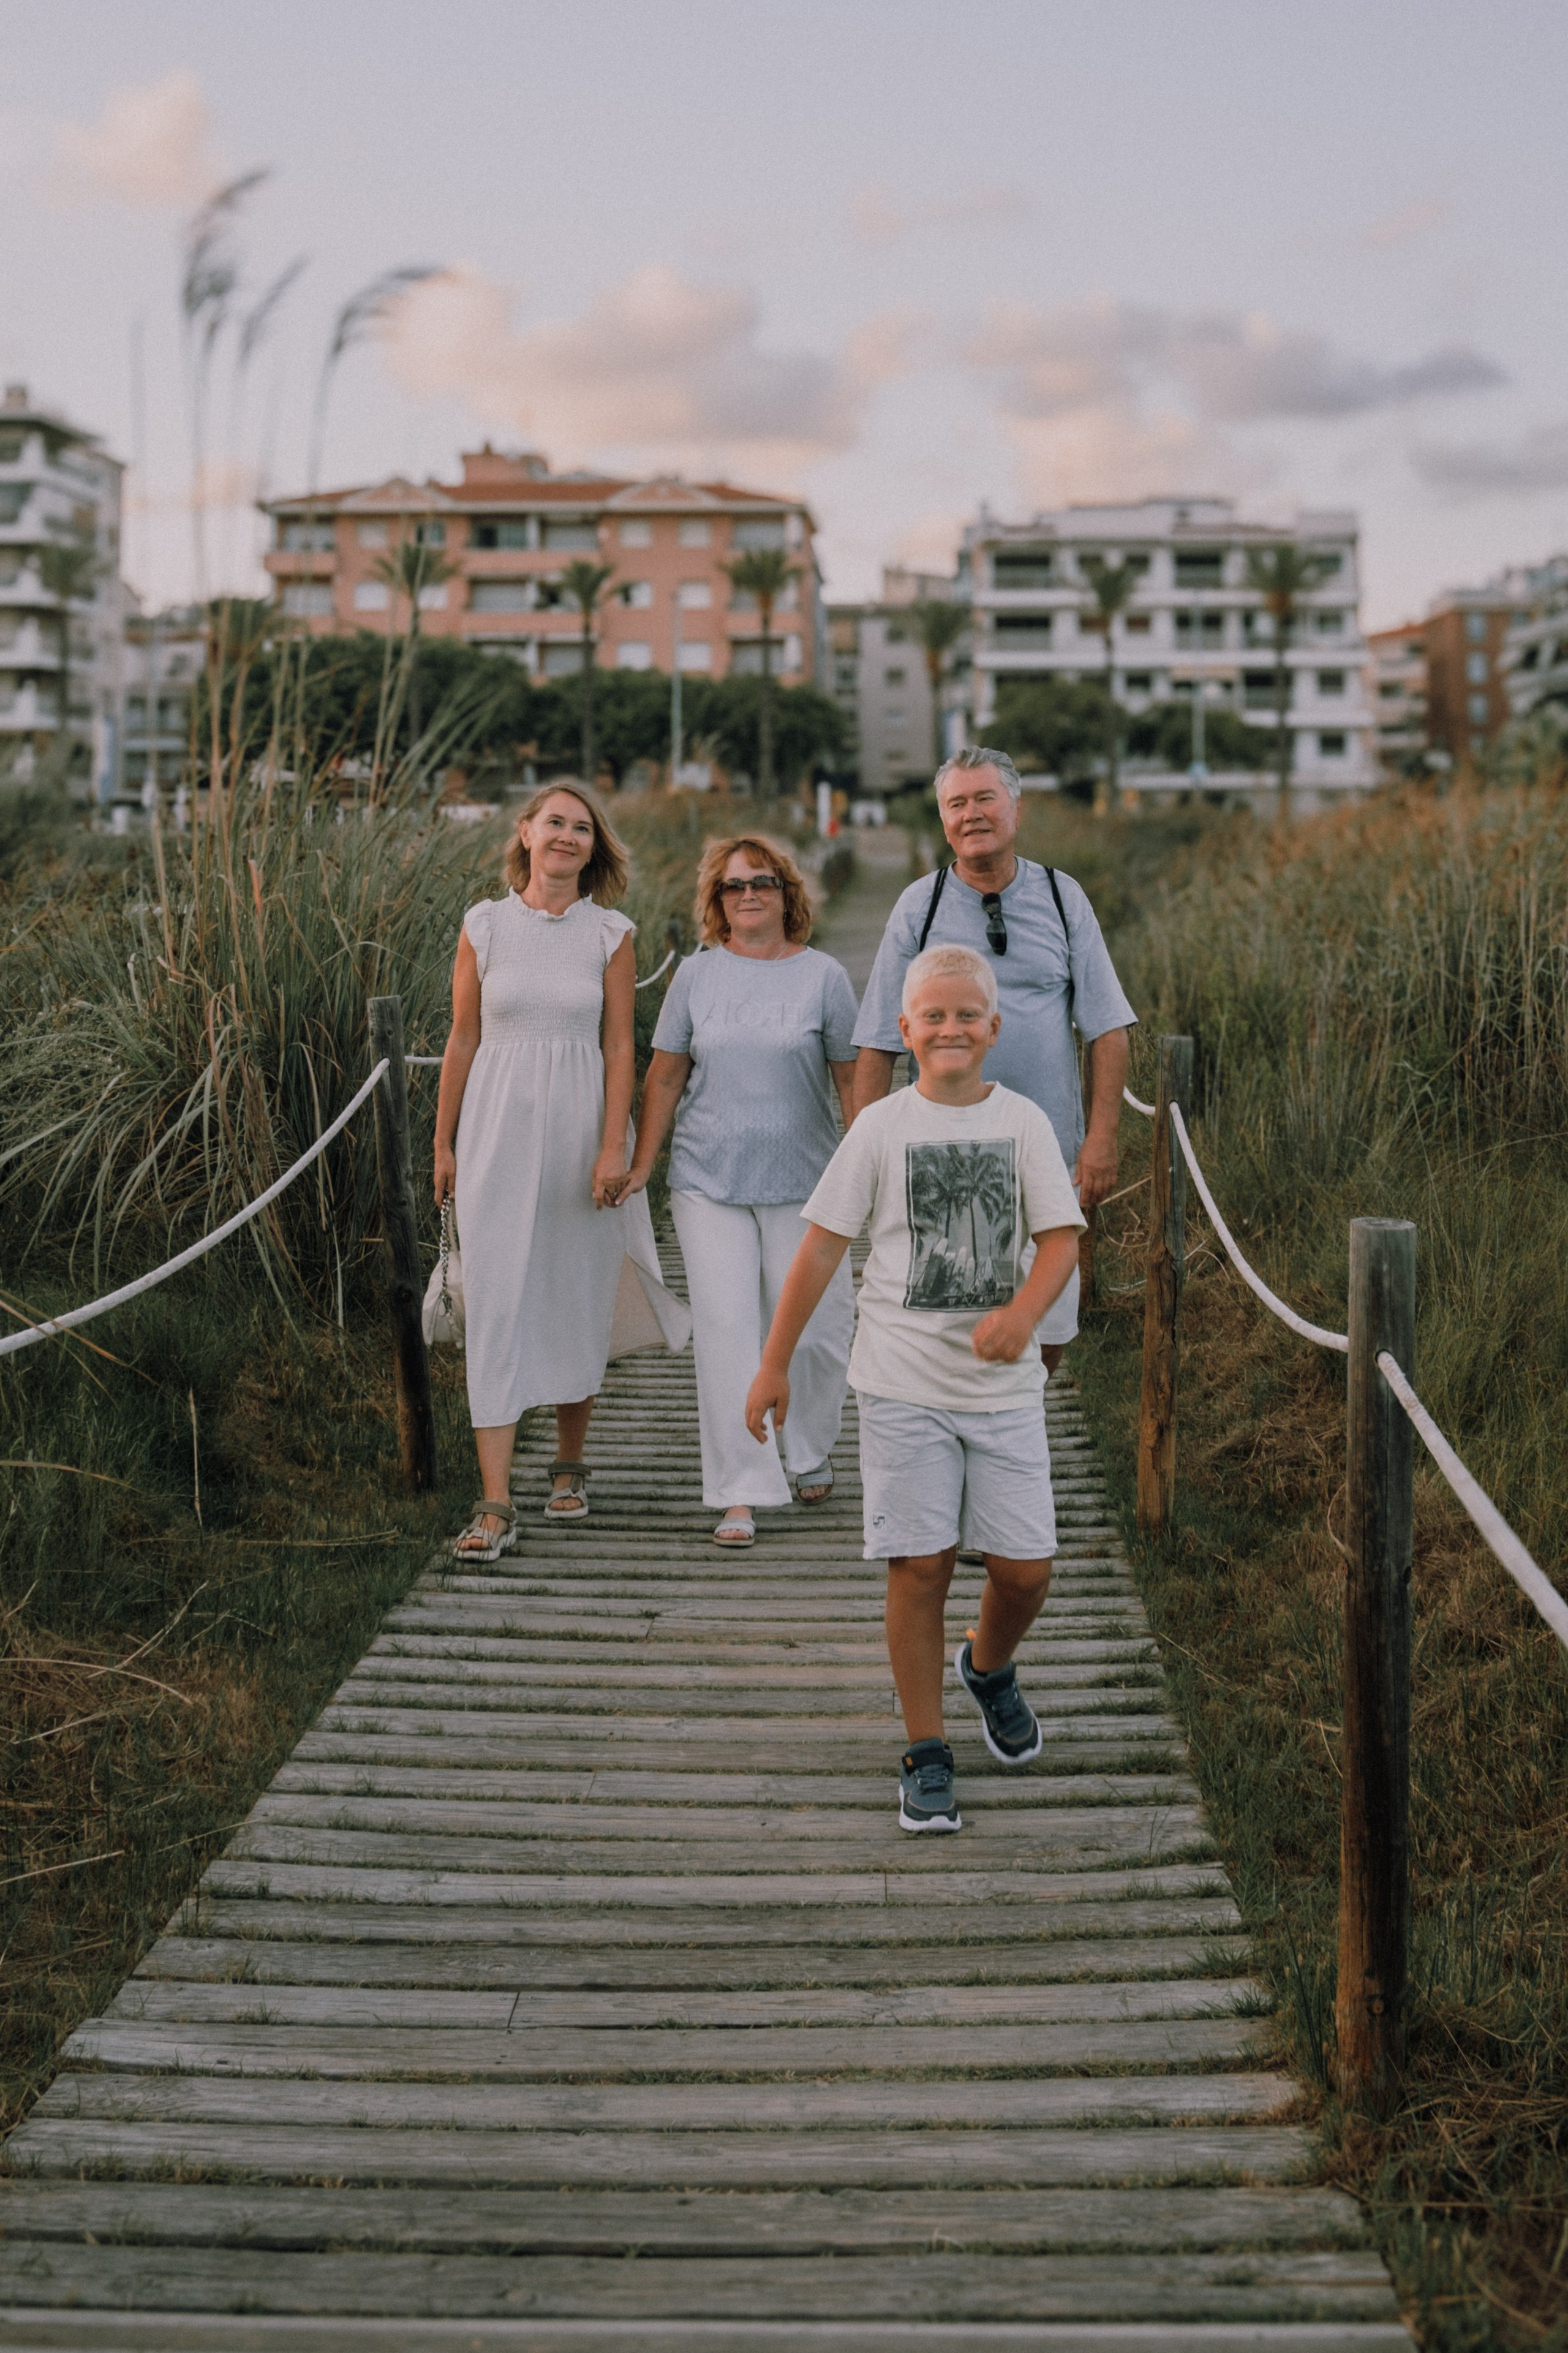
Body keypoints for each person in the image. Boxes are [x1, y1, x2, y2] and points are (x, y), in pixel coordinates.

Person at [746, 943, 1085, 1830]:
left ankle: (988, 1667)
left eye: (966, 1014)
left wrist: (1024, 1314)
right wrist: (775, 1360)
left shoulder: (1025, 1124)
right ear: (904, 1031)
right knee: (921, 1563)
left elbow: (1059, 1239)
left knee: (1025, 1570)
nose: (950, 1028)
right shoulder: (881, 1127)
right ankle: (926, 1747)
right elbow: (822, 1244)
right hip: (899, 1382)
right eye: (931, 1017)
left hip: (1002, 1390)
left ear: (994, 1029)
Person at [434, 784, 689, 1561]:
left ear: (594, 847)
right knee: (499, 1297)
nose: (568, 836)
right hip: (495, 1134)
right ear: (526, 832)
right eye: (556, 823)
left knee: (576, 1288)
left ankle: (569, 1461)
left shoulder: (610, 934)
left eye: (583, 828)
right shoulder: (484, 924)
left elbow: (621, 1048)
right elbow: (462, 1039)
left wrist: (614, 1146)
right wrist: (442, 1144)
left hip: (583, 1131)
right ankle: (495, 1501)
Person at [851, 746, 1135, 1377]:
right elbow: (876, 1042)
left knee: (1050, 1324)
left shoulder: (1063, 898)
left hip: (1050, 1156)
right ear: (943, 819)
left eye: (985, 798)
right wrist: (866, 1156)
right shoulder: (918, 908)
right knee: (944, 1327)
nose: (971, 814)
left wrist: (1101, 1139)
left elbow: (1108, 1028)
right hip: (941, 1155)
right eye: (956, 803)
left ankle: (1016, 1435)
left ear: (1015, 808)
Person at [614, 836, 858, 1547]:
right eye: (731, 886)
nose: (747, 894)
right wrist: (642, 1165)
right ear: (715, 903)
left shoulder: (825, 977)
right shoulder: (695, 976)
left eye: (762, 882)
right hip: (707, 1179)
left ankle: (808, 1445)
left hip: (809, 1184)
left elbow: (851, 1079)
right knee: (727, 1330)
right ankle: (741, 1491)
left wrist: (865, 1169)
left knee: (817, 1329)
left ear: (788, 893)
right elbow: (664, 1076)